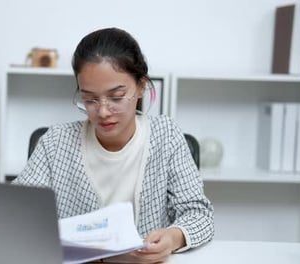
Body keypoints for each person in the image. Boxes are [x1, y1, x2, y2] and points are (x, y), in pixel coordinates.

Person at [13, 27, 214, 263]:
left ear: (141, 86)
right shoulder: (56, 142)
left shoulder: (166, 136)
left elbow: (199, 213)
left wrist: (173, 237)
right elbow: (18, 214)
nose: (103, 112)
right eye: (90, 99)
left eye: (117, 97)